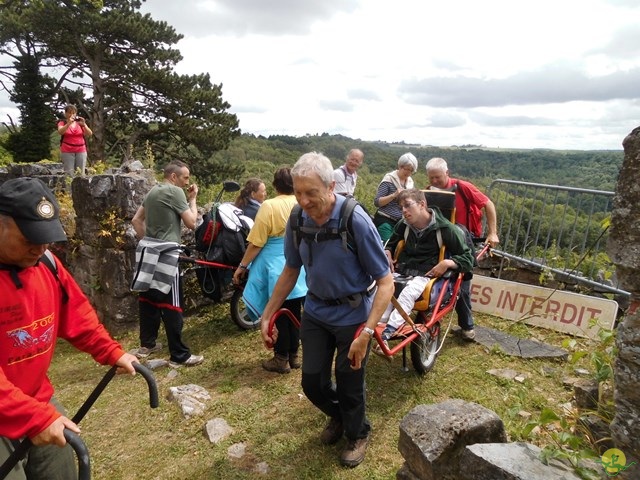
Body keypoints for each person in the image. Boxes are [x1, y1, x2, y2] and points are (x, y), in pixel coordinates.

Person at [259, 152, 394, 468]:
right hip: (317, 312)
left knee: (350, 383)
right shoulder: (296, 218)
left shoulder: (354, 220)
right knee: (312, 383)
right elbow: (291, 269)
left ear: (331, 186)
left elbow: (385, 282)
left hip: (354, 315)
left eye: (311, 193)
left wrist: (368, 330)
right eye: (298, 192)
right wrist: (267, 314)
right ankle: (339, 416)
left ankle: (357, 433)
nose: (304, 200)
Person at [0, 177, 138, 479]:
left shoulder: (46, 263)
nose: (41, 247)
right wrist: (34, 417)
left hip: (36, 398)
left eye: (46, 237)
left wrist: (111, 351)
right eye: (29, 239)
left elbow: (76, 315)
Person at [377, 189, 475, 352]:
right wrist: (388, 250)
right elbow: (392, 242)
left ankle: (388, 331)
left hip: (427, 275)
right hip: (404, 270)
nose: (404, 212)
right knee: (384, 287)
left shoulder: (445, 229)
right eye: (401, 208)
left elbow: (468, 258)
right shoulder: (404, 225)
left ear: (422, 204)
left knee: (409, 293)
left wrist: (448, 263)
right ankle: (378, 324)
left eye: (408, 206)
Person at [232, 168, 307, 374]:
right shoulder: (301, 202)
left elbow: (257, 242)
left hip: (276, 266)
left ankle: (281, 358)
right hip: (299, 265)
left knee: (279, 313)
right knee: (294, 312)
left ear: (275, 185)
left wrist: (242, 266)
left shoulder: (269, 206)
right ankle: (294, 355)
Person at [131, 160, 204, 367]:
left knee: (148, 300)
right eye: (185, 177)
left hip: (148, 254)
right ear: (174, 177)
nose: (186, 182)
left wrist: (150, 243)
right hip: (168, 256)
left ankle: (147, 345)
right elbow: (192, 223)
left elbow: (136, 221)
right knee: (172, 305)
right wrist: (193, 200)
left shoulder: (153, 191)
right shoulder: (175, 192)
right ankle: (179, 355)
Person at [425, 157, 500, 340]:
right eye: (431, 178)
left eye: (438, 177)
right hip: (440, 239)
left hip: (465, 239)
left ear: (447, 174)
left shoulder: (463, 187)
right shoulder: (428, 192)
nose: (434, 181)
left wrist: (493, 233)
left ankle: (467, 327)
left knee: (461, 282)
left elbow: (488, 204)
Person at [373, 152, 417, 243]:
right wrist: (394, 195)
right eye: (406, 169)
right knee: (387, 245)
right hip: (385, 221)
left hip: (401, 222)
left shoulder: (410, 182)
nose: (408, 172)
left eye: (411, 170)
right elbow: (377, 202)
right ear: (400, 166)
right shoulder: (389, 180)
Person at [57, 105, 92, 176]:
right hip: (67, 150)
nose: (71, 115)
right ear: (65, 114)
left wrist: (84, 125)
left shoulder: (80, 123)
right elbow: (60, 132)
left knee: (80, 173)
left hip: (81, 150)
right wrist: (68, 123)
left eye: (73, 113)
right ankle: (69, 187)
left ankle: (80, 187)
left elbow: (89, 133)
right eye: (69, 113)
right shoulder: (62, 123)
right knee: (69, 173)